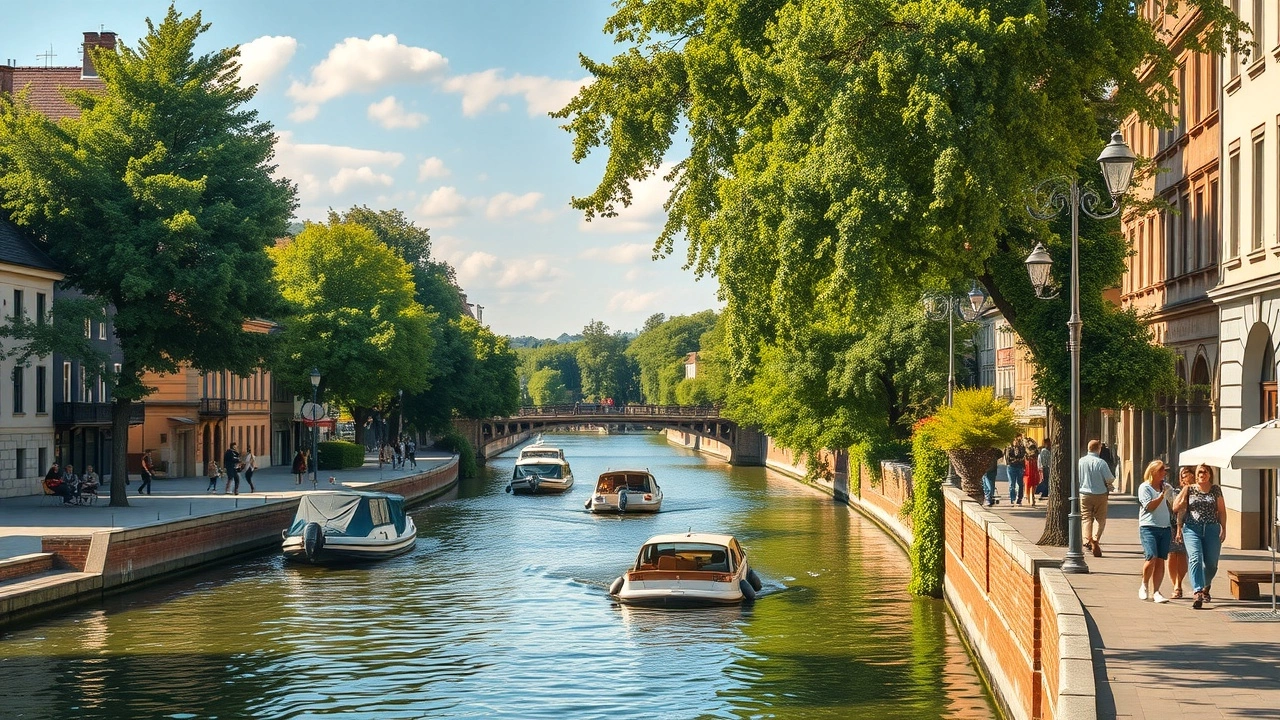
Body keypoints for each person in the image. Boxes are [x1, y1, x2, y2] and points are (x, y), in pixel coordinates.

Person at [1172, 463, 1226, 610]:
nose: (1202, 474)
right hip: (1191, 528)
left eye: (1205, 472)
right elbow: (1176, 508)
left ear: (1210, 474)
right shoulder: (1189, 489)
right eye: (1199, 472)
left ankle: (1205, 584)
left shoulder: (1215, 490)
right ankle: (1197, 591)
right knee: (1195, 557)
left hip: (1211, 529)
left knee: (1211, 564)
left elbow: (1221, 511)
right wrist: (1184, 490)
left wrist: (1224, 528)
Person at [1137, 460, 1173, 603]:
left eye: (1165, 470)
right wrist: (1162, 495)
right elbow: (1149, 507)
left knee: (1160, 560)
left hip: (1165, 528)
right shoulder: (1144, 488)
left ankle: (1156, 591)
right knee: (1151, 557)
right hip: (1148, 527)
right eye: (1161, 470)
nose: (1164, 473)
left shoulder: (1167, 487)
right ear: (1153, 472)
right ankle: (1144, 585)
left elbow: (1173, 504)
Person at [1078, 439, 1115, 557]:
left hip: (1084, 493)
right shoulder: (1101, 463)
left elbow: (1077, 478)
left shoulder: (1081, 461)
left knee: (1086, 518)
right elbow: (1109, 478)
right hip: (1100, 494)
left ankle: (1086, 539)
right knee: (1100, 519)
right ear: (1098, 449)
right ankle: (1095, 538)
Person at [1167, 466, 1191, 599]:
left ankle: (1179, 583)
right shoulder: (1175, 491)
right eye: (1182, 475)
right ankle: (1174, 584)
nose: (1184, 478)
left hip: (1190, 526)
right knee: (1172, 554)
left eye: (1186, 474)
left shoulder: (1197, 491)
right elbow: (1175, 507)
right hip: (1172, 526)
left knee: (1181, 555)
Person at [1004, 434, 1026, 505]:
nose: (1017, 440)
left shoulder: (1022, 447)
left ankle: (1019, 498)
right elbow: (1008, 458)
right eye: (1016, 439)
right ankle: (1012, 498)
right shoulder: (1009, 447)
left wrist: (1018, 460)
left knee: (1020, 484)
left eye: (1018, 439)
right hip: (1011, 467)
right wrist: (1016, 460)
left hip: (1019, 467)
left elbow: (1023, 456)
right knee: (1012, 484)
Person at [1023, 438, 1040, 507]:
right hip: (1030, 471)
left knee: (1030, 485)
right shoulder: (1028, 455)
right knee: (1032, 485)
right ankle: (1031, 498)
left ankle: (1030, 498)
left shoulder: (1028, 454)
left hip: (1031, 471)